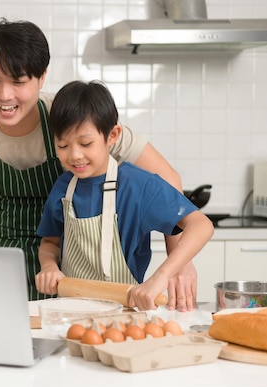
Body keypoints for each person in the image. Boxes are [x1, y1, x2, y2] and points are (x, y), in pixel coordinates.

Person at [0, 18, 198, 310]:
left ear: (41, 77)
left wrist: (180, 263)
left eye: (18, 81)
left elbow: (165, 176)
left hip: (64, 272)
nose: (4, 95)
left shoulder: (72, 118)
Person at [35, 80, 214, 311]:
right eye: (63, 145)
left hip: (125, 315)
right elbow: (50, 242)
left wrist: (160, 277)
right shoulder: (63, 187)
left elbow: (202, 225)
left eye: (86, 143)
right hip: (69, 313)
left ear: (112, 135)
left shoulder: (139, 186)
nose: (75, 155)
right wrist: (48, 266)